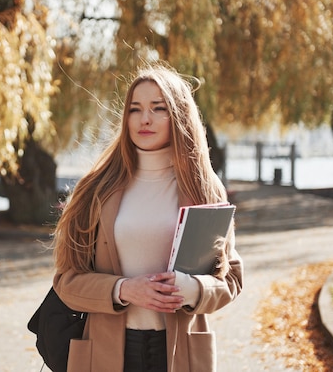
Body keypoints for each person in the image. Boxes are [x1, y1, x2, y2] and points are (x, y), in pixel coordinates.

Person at [52, 62, 244, 372]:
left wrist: (191, 288)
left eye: (158, 108)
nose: (145, 119)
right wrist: (123, 289)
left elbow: (230, 279)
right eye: (135, 109)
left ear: (179, 115)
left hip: (180, 353)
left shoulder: (205, 188)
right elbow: (66, 281)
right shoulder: (95, 189)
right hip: (108, 350)